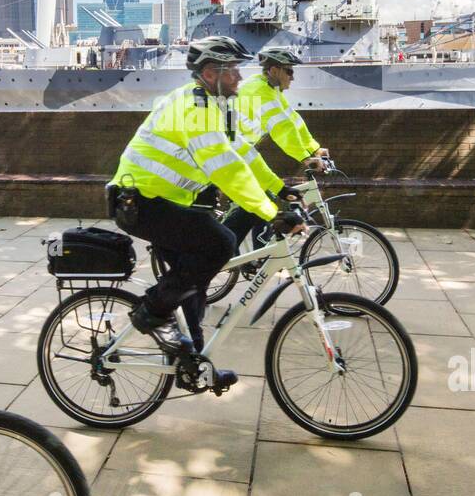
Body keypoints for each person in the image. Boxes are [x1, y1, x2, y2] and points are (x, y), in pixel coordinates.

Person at [108, 36, 305, 372]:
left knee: (194, 279)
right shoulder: (194, 109)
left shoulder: (216, 105)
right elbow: (225, 169)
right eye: (234, 72)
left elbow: (241, 152)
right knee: (221, 242)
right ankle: (152, 312)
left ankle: (191, 359)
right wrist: (272, 213)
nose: (241, 78)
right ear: (212, 73)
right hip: (139, 203)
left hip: (163, 201)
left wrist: (278, 188)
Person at [227, 45, 329, 252]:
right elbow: (282, 129)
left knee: (262, 199)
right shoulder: (259, 90)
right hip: (228, 150)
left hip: (239, 149)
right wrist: (305, 158)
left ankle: (257, 255)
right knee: (264, 200)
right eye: (289, 70)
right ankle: (229, 252)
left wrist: (314, 149)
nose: (292, 76)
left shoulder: (269, 89)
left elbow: (292, 120)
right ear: (274, 71)